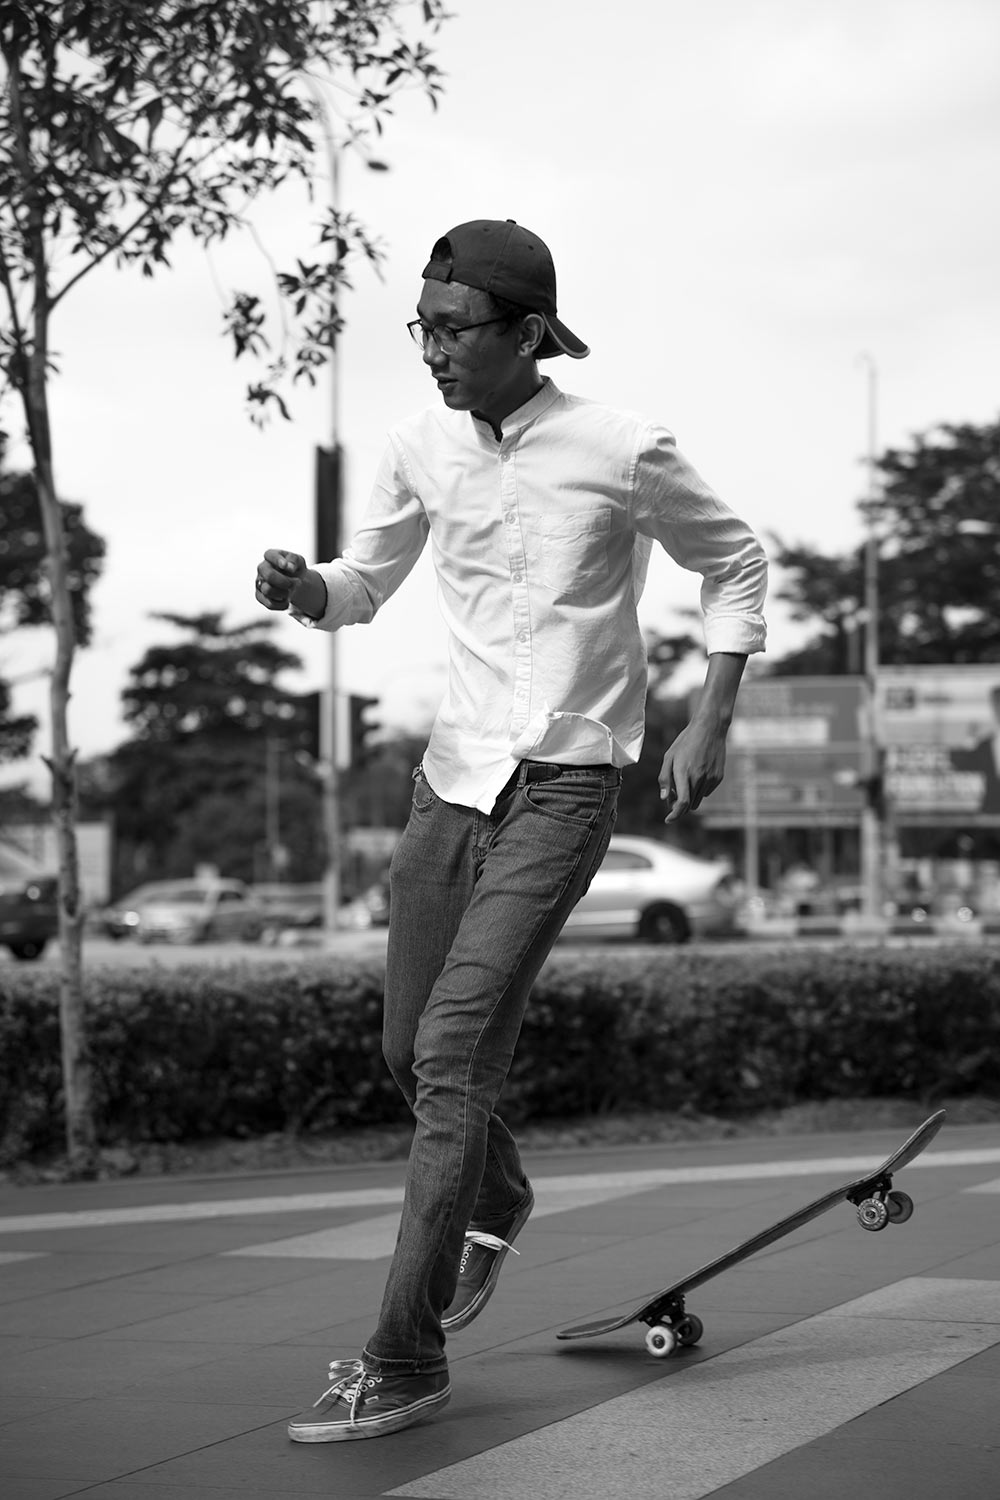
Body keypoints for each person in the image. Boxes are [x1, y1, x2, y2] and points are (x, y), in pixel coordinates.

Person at [255, 218, 768, 1442]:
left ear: (527, 331)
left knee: (450, 1062)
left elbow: (734, 559)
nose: (430, 351)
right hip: (451, 783)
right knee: (403, 1050)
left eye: (452, 329)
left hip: (567, 783)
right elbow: (364, 581)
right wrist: (303, 588)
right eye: (419, 328)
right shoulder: (416, 444)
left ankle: (403, 1355)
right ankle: (503, 1196)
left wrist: (709, 721)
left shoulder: (620, 446)